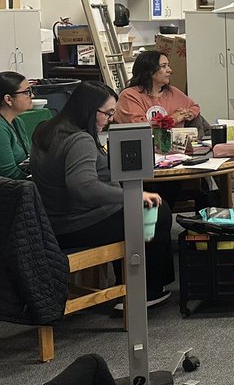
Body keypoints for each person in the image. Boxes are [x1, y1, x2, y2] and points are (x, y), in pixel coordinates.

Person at [29, 80, 174, 307]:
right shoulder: (80, 140)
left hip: (52, 221)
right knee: (157, 211)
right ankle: (146, 290)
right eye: (107, 113)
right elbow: (84, 186)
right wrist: (132, 197)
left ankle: (128, 281)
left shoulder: (46, 130)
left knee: (131, 209)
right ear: (88, 109)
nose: (109, 120)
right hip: (78, 224)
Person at [115, 50, 206, 132]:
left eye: (168, 66)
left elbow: (194, 106)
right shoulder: (129, 96)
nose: (170, 70)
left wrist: (187, 113)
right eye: (163, 66)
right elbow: (141, 129)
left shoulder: (172, 91)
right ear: (149, 70)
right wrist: (173, 119)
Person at [0, 71, 35, 179]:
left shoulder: (17, 121)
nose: (32, 96)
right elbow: (8, 173)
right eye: (27, 92)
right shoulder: (1, 128)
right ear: (8, 99)